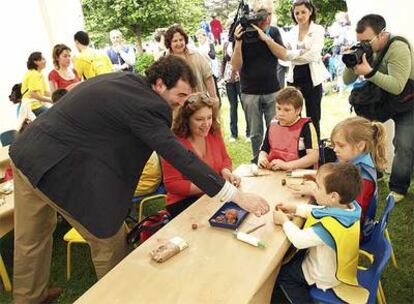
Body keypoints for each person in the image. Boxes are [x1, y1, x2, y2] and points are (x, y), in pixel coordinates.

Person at [9, 55, 269, 303]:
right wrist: (236, 196)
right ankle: (119, 296)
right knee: (107, 240)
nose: (180, 103)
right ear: (159, 84)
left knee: (30, 239)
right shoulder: (150, 105)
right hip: (56, 167)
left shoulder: (125, 81)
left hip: (26, 153)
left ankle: (29, 297)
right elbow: (180, 156)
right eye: (179, 95)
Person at [343, 14, 414, 203]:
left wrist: (370, 72)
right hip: (382, 99)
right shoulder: (366, 48)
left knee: (404, 143)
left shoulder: (398, 47)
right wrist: (350, 61)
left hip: (407, 99)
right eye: (360, 41)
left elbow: (397, 85)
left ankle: (398, 187)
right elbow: (346, 81)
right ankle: (375, 172)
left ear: (382, 35)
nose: (363, 45)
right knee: (367, 135)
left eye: (367, 41)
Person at [272, 162, 362, 303]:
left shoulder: (330, 226)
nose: (314, 190)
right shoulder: (348, 209)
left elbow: (299, 240)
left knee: (283, 276)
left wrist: (284, 221)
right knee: (289, 260)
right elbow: (319, 211)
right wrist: (295, 208)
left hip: (323, 274)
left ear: (333, 196)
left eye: (318, 187)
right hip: (334, 265)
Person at [256, 0, 329, 137]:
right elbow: (284, 55)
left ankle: (315, 149)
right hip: (294, 77)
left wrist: (293, 54)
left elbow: (313, 55)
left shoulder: (318, 29)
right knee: (293, 117)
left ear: (310, 11)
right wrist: (301, 52)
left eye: (303, 12)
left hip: (312, 78)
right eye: (297, 13)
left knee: (314, 117)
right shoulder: (292, 31)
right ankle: (296, 146)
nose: (300, 16)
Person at [161, 93, 240, 218]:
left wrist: (226, 171)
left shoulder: (214, 131)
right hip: (183, 203)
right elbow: (173, 184)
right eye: (199, 119)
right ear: (186, 120)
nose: (206, 123)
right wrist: (215, 185)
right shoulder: (173, 143)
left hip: (213, 195)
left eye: (209, 117)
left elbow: (225, 158)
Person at [231, 1, 284, 163]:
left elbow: (283, 55)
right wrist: (238, 42)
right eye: (262, 14)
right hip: (249, 92)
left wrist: (266, 38)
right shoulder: (242, 32)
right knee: (255, 133)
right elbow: (235, 66)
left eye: (269, 14)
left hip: (272, 89)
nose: (266, 18)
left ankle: (275, 158)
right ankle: (257, 161)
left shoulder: (273, 32)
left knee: (274, 129)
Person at [331, 117, 386, 237]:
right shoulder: (352, 160)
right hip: (350, 223)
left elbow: (350, 214)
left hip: (352, 230)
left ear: (360, 145)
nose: (335, 149)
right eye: (334, 144)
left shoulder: (362, 178)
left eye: (341, 145)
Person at [258, 87, 319, 171]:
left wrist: (287, 165)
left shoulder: (306, 126)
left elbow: (314, 157)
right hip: (274, 173)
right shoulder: (273, 124)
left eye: (286, 110)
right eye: (278, 108)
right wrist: (262, 158)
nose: (281, 113)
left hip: (299, 174)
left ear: (298, 110)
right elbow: (264, 149)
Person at [165, 25, 218, 100]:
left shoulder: (196, 55)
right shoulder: (165, 62)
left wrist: (214, 98)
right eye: (175, 41)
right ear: (169, 43)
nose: (179, 43)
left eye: (181, 40)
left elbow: (208, 77)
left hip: (199, 103)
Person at [222, 33, 249, 141]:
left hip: (240, 77)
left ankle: (249, 133)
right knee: (232, 106)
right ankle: (233, 133)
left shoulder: (240, 42)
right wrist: (222, 75)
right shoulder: (226, 43)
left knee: (244, 105)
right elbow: (224, 61)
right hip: (228, 78)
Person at [21, 52, 52, 117]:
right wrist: (51, 100)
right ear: (35, 62)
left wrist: (57, 97)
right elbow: (33, 94)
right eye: (42, 59)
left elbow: (45, 93)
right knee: (53, 115)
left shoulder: (39, 74)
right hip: (33, 106)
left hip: (37, 105)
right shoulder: (34, 74)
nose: (45, 61)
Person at [195, 29, 221, 104]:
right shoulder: (198, 48)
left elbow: (213, 56)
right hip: (201, 70)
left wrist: (206, 54)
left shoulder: (209, 45)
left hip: (211, 69)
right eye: (198, 38)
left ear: (205, 37)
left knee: (214, 88)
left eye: (201, 37)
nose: (200, 39)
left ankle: (217, 103)